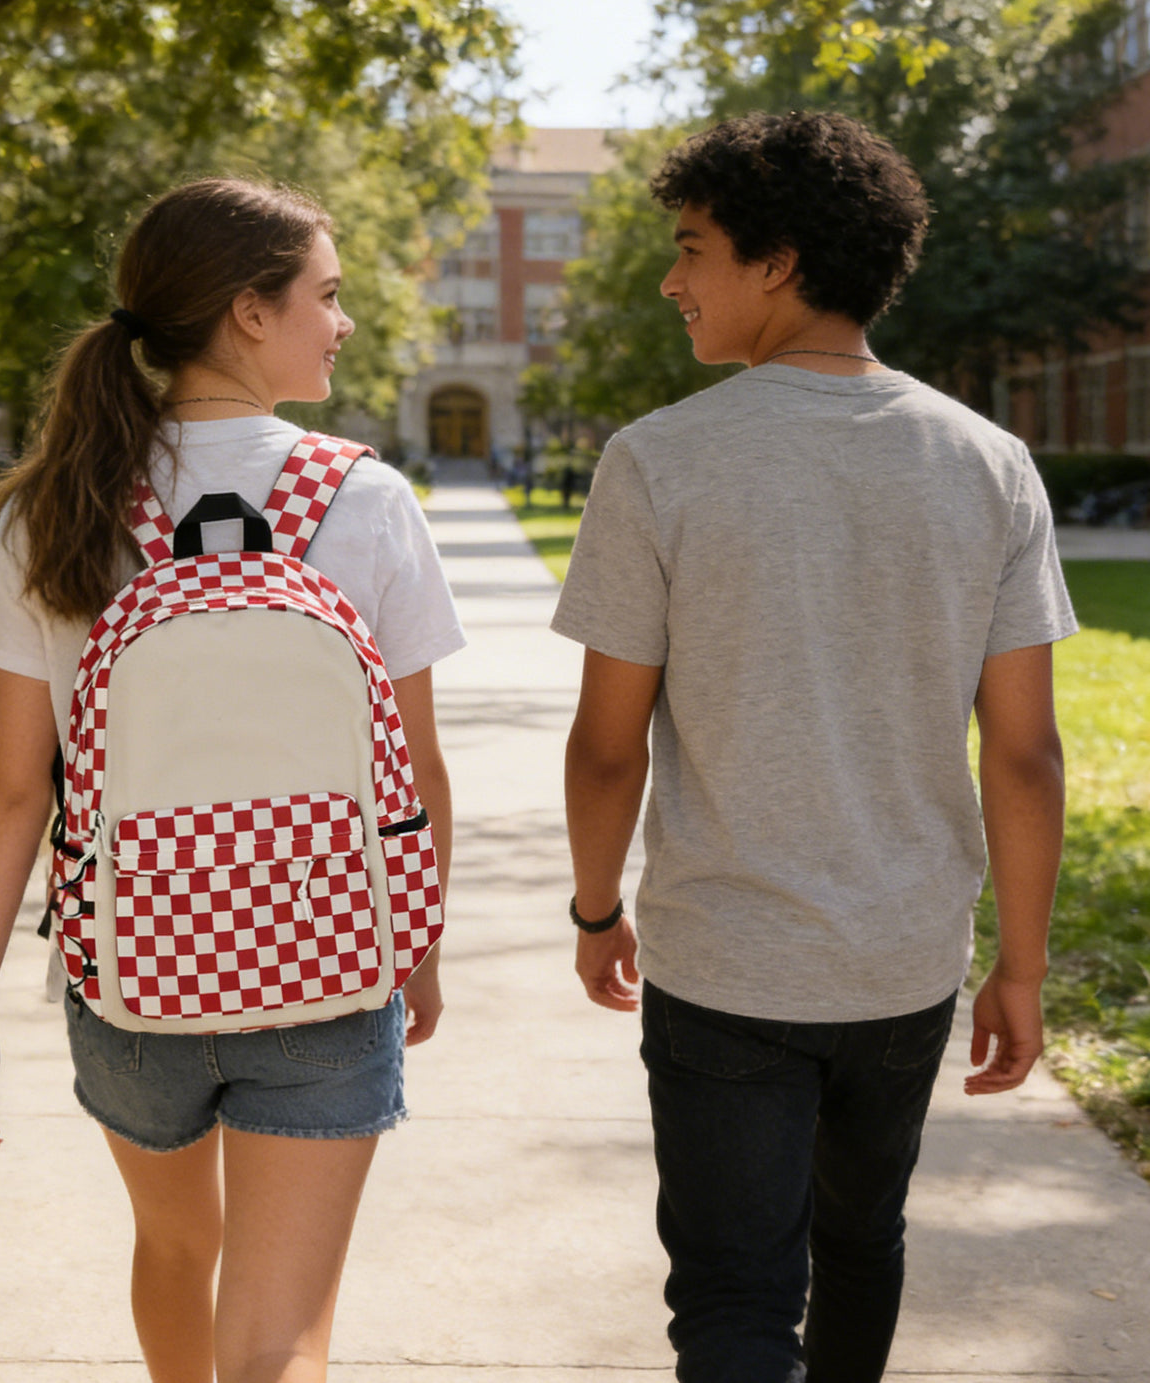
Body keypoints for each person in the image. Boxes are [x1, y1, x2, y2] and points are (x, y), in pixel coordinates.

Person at [552, 111, 1075, 1383]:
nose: (671, 281)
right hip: (903, 965)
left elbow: (609, 749)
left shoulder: (657, 460)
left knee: (734, 1303)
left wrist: (594, 907)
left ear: (777, 261)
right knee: (860, 1245)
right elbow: (1025, 755)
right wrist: (1020, 966)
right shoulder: (991, 463)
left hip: (726, 963)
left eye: (691, 247)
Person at [0, 177, 463, 1383]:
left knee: (174, 1250)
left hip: (131, 967)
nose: (343, 322)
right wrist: (416, 943)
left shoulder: (58, 505)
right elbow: (415, 770)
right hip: (327, 955)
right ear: (250, 312)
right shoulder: (367, 501)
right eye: (328, 294)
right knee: (279, 1340)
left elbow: (14, 788)